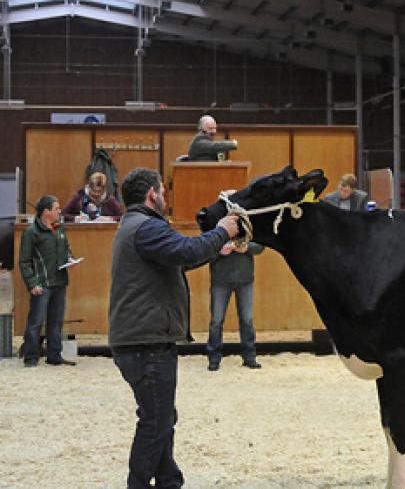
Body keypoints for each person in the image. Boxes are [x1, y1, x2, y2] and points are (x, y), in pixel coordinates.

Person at [108, 167, 239, 488]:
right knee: (155, 422)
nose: (165, 197)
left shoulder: (136, 226)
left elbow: (179, 257)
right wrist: (222, 231)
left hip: (144, 340)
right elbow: (185, 249)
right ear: (152, 194)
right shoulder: (147, 228)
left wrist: (213, 248)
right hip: (146, 342)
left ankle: (169, 482)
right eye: (162, 192)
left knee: (162, 418)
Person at [18, 195, 80, 367]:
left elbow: (66, 250)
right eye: (56, 209)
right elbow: (24, 261)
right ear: (46, 212)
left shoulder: (59, 229)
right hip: (42, 284)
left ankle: (54, 355)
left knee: (56, 321)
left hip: (60, 282)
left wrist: (71, 260)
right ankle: (30, 357)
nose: (60, 211)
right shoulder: (31, 232)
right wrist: (32, 283)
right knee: (36, 322)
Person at [207, 234, 264, 371]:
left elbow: (261, 246)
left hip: (245, 281)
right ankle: (214, 358)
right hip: (220, 280)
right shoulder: (215, 227)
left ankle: (249, 357)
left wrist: (247, 247)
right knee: (216, 320)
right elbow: (203, 250)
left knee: (247, 320)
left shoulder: (247, 226)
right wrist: (219, 251)